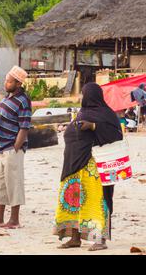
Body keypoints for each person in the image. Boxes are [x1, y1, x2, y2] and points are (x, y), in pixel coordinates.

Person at [53, 82, 123, 251]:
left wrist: (93, 126)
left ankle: (100, 240)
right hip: (74, 166)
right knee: (74, 201)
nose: (83, 98)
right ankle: (75, 237)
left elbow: (116, 135)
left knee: (96, 202)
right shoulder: (82, 112)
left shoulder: (107, 114)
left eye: (84, 94)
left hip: (95, 168)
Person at [0, 66, 32, 229]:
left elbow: (24, 126)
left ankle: (14, 219)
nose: (6, 83)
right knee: (2, 183)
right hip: (1, 148)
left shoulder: (23, 100)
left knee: (14, 183)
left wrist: (16, 146)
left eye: (9, 81)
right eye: (6, 80)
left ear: (18, 83)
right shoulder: (8, 98)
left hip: (12, 148)